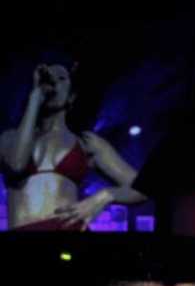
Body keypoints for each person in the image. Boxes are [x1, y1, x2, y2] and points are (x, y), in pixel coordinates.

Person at [2, 63, 146, 231]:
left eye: (61, 78)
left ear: (71, 97)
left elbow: (142, 189)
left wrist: (104, 196)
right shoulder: (9, 137)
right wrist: (35, 97)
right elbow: (16, 164)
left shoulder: (85, 142)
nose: (53, 83)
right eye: (48, 78)